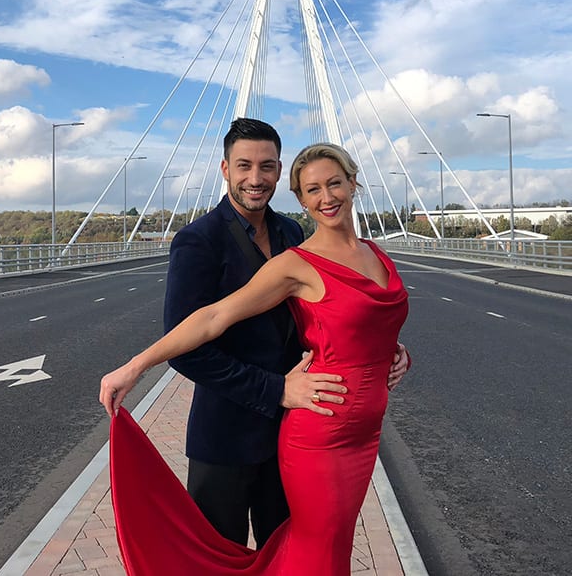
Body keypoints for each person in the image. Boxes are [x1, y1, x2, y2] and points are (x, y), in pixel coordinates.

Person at [100, 141, 410, 576]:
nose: (327, 197)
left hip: (355, 429)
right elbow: (212, 318)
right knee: (308, 553)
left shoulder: (354, 248)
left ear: (353, 183)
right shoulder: (289, 260)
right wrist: (136, 364)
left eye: (335, 183)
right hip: (302, 429)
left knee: (315, 546)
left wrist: (391, 353)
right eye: (314, 190)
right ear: (301, 197)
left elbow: (341, 322)